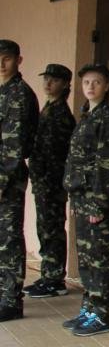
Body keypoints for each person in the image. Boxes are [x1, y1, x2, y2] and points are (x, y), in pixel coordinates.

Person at [62, 64, 109, 337]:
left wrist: (99, 204)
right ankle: (89, 309)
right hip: (82, 199)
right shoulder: (88, 115)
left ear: (107, 86)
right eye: (86, 82)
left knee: (99, 258)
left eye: (96, 82)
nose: (90, 86)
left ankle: (101, 314)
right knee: (87, 259)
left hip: (97, 201)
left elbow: (107, 164)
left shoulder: (108, 118)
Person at [24, 64, 76, 299]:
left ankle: (54, 280)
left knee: (52, 229)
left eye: (54, 80)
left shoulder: (61, 114)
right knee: (45, 228)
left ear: (65, 84)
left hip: (52, 183)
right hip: (44, 182)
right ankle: (49, 275)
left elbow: (56, 153)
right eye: (46, 78)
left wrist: (47, 180)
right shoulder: (49, 108)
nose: (48, 83)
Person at [0, 40, 39, 322]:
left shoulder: (19, 94)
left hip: (7, 180)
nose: (2, 64)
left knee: (10, 238)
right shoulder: (3, 91)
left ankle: (11, 300)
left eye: (7, 58)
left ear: (18, 60)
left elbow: (14, 149)